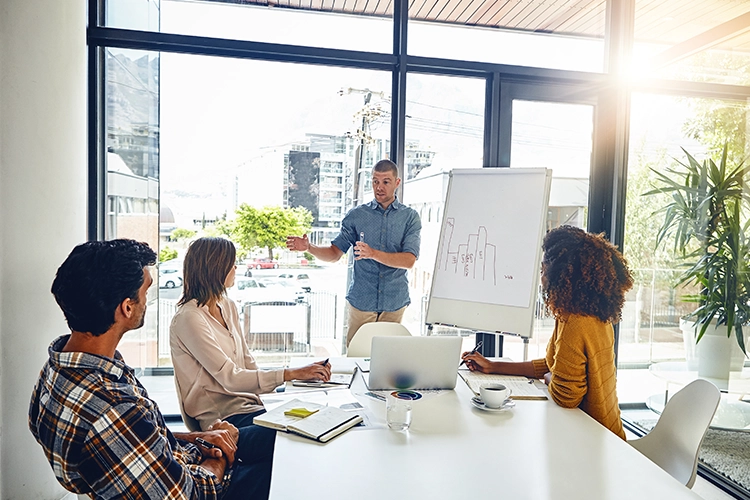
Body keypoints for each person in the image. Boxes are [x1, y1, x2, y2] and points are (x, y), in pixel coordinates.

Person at [29, 239, 262, 499]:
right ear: (127, 307)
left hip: (173, 463)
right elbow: (192, 494)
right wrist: (218, 459)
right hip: (200, 485)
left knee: (275, 443)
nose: (147, 301)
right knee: (286, 465)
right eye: (146, 291)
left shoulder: (57, 368)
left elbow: (129, 441)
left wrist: (198, 438)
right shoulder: (112, 406)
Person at [462, 225, 634, 440]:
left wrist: (549, 377)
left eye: (543, 271)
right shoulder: (588, 312)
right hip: (599, 429)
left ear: (561, 275)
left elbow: (566, 396)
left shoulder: (576, 322)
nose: (541, 278)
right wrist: (493, 366)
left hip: (594, 439)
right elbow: (555, 364)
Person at [169, 237, 330, 464]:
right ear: (216, 268)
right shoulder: (189, 318)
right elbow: (231, 378)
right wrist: (291, 373)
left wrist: (276, 401)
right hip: (226, 420)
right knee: (301, 435)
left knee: (320, 414)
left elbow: (247, 362)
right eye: (231, 263)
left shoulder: (227, 305)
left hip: (252, 406)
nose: (236, 268)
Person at [286, 159, 421, 346]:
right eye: (375, 181)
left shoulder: (409, 217)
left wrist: (373, 253)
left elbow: (409, 260)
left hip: (394, 303)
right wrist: (309, 248)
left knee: (390, 363)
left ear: (397, 183)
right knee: (357, 357)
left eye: (385, 182)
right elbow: (334, 253)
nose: (379, 187)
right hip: (361, 302)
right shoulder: (356, 216)